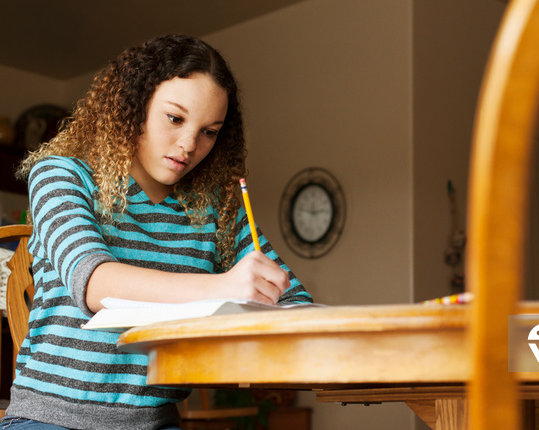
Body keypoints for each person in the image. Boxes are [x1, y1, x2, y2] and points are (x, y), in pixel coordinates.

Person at [2, 34, 312, 430]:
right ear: (135, 104)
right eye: (175, 118)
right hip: (50, 420)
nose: (188, 145)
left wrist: (278, 302)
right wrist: (225, 287)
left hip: (155, 422)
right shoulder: (61, 174)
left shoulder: (216, 207)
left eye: (209, 131)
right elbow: (94, 282)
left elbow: (292, 298)